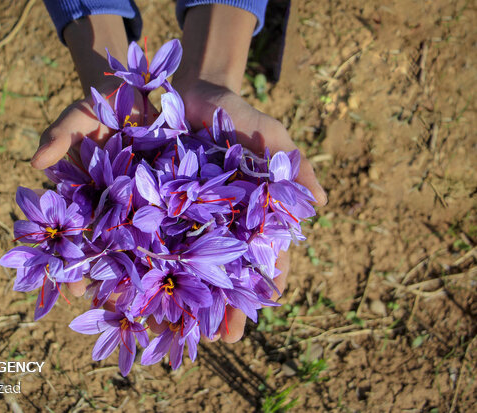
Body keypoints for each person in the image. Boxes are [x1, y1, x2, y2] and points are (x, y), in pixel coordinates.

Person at [31, 0, 327, 343]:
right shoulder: (159, 210)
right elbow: (150, 214)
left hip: (180, 206)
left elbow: (155, 216)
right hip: (164, 201)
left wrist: (211, 78)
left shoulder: (176, 221)